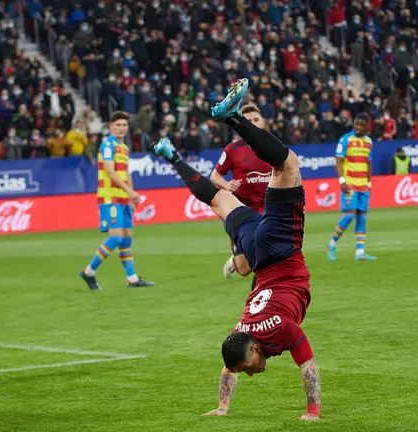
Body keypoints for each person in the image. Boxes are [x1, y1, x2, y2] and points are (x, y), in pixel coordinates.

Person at [155, 78, 321, 421]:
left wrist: (313, 412)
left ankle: (227, 120)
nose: (249, 373)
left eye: (247, 366)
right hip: (259, 246)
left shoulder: (274, 331)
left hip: (275, 247)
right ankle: (176, 154)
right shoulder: (240, 331)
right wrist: (222, 406)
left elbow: (308, 365)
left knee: (286, 163)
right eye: (247, 369)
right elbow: (229, 367)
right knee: (220, 199)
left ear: (254, 346)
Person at [79, 111, 154, 291]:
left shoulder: (124, 148)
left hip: (123, 198)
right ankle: (89, 271)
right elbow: (111, 172)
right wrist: (129, 191)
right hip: (109, 197)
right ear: (111, 127)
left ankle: (132, 278)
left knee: (127, 238)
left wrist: (131, 196)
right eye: (118, 125)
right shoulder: (107, 145)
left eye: (124, 125)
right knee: (115, 238)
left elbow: (126, 173)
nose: (121, 128)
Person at [211, 104, 272, 279]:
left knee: (269, 248)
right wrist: (227, 185)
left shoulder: (272, 145)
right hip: (241, 209)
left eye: (256, 120)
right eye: (248, 120)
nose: (253, 123)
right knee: (244, 270)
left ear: (262, 122)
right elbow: (215, 176)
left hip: (267, 206)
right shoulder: (232, 150)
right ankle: (236, 260)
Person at [327, 113, 376, 261]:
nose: (358, 127)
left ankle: (360, 252)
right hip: (350, 184)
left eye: (361, 125)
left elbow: (368, 162)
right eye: (356, 124)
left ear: (367, 127)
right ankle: (332, 243)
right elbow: (338, 161)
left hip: (363, 185)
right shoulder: (346, 139)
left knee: (362, 217)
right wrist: (342, 181)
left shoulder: (369, 141)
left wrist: (369, 183)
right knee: (349, 215)